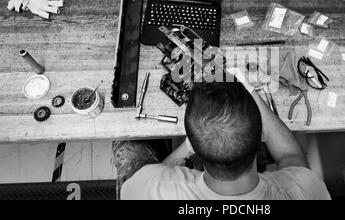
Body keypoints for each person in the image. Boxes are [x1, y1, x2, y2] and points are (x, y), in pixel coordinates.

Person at [115, 81, 331, 200]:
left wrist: (185, 149)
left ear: (194, 143)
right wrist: (251, 92)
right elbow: (290, 156)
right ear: (263, 136)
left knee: (130, 146)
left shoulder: (153, 187)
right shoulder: (304, 191)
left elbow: (147, 179)